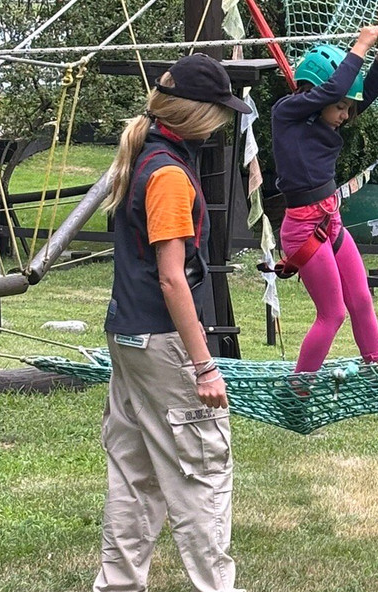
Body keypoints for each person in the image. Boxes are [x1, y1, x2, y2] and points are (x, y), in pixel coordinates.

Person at [95, 54, 251, 592]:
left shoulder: (146, 156)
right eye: (220, 112)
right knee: (202, 473)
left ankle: (117, 585)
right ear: (196, 114)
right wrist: (205, 366)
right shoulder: (167, 174)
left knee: (134, 477)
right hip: (163, 345)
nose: (224, 123)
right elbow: (172, 279)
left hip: (128, 338)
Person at [271, 7, 378, 375]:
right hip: (302, 228)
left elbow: (357, 94)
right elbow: (335, 89)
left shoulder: (324, 116)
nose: (346, 115)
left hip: (330, 218)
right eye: (340, 108)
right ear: (319, 94)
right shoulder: (287, 114)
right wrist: (360, 44)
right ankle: (299, 386)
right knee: (333, 313)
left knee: (360, 298)